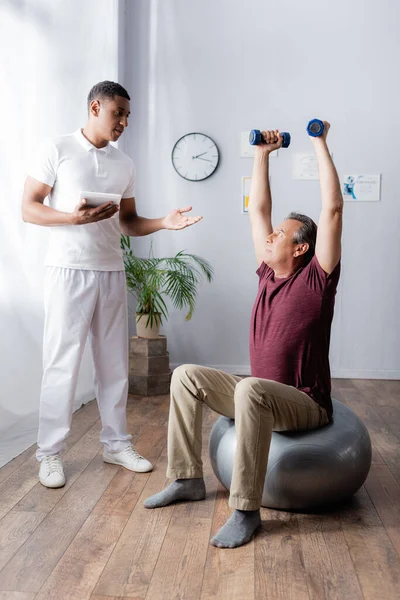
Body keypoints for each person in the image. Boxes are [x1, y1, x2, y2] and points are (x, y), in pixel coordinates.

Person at [144, 121, 343, 549]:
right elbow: (257, 210)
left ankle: (246, 510)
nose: (269, 237)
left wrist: (319, 143)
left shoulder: (317, 280)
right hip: (257, 394)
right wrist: (262, 155)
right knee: (185, 376)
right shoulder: (267, 273)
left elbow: (332, 211)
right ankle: (185, 479)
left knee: (251, 389)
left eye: (279, 235)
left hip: (305, 402)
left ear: (302, 248)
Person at [21, 81, 202, 489]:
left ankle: (116, 443)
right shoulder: (58, 149)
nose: (123, 122)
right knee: (62, 362)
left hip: (111, 271)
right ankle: (49, 454)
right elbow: (28, 208)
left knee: (114, 365)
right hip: (67, 271)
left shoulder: (125, 164)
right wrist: (71, 219)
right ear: (95, 106)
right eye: (118, 113)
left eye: (128, 117)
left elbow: (128, 222)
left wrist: (164, 222)